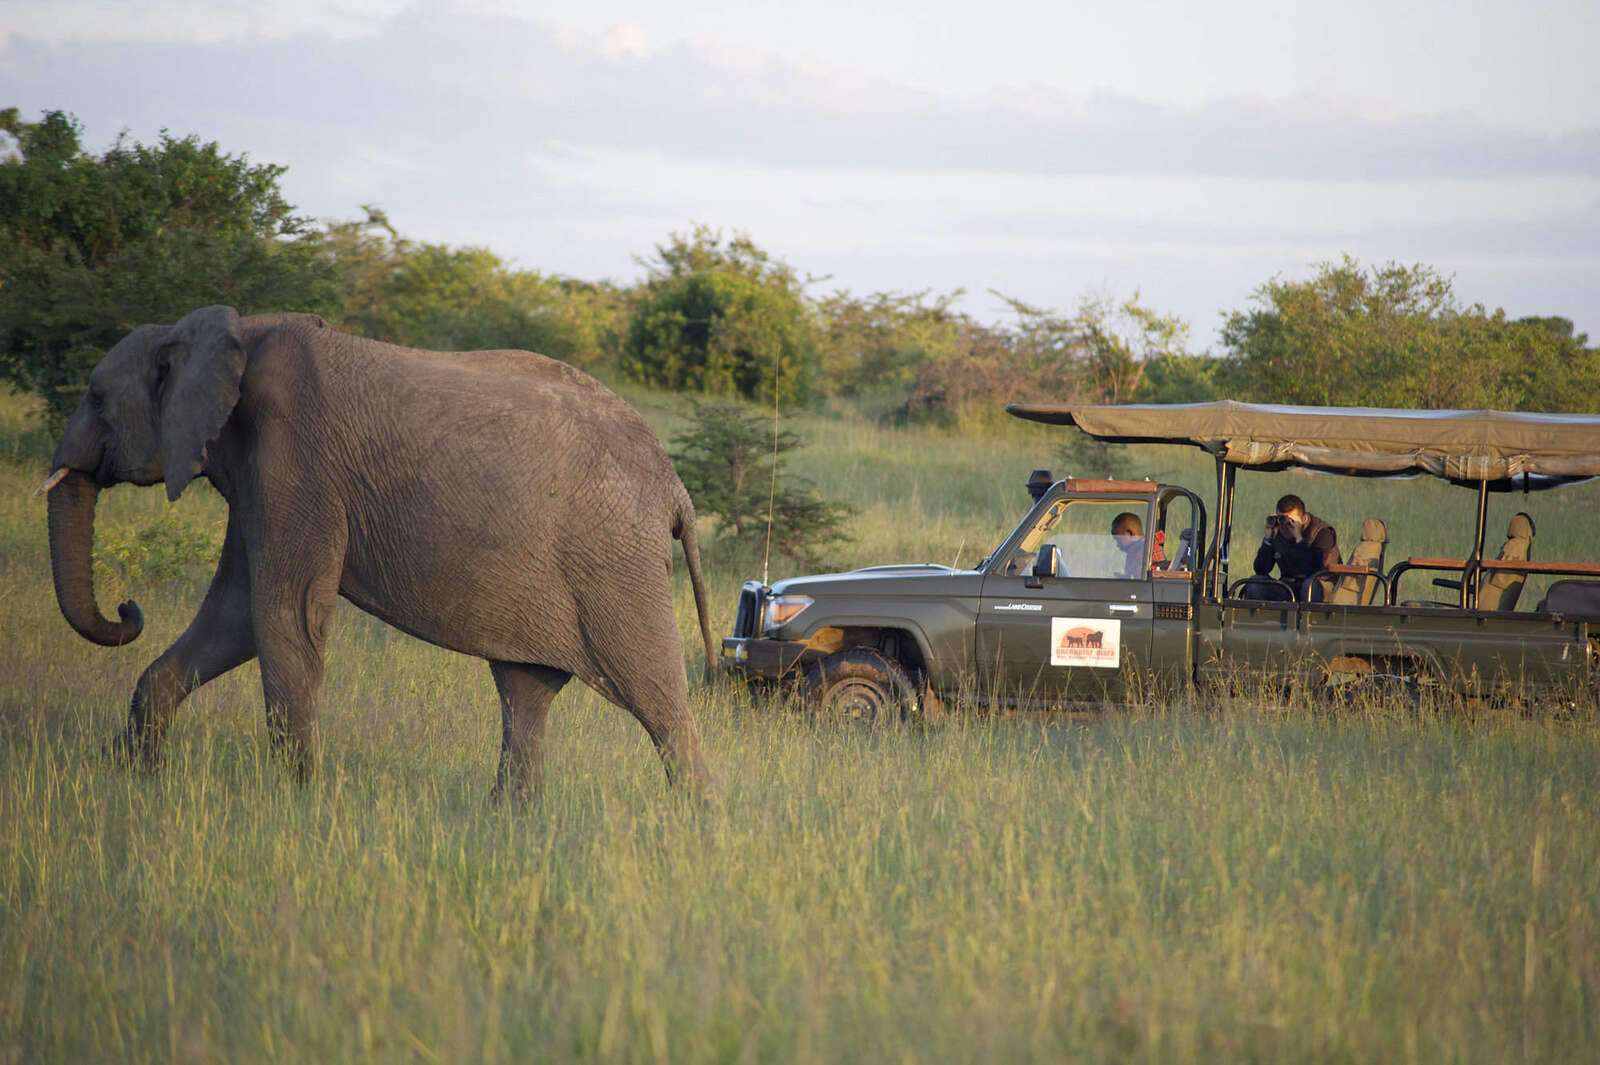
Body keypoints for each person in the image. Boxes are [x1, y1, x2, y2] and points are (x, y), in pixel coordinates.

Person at [1252, 493, 1339, 600]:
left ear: (1304, 519)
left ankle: (1308, 617)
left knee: (1309, 587)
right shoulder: (1278, 532)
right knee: (1255, 584)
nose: (1284, 526)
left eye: (1290, 522)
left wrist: (1298, 538)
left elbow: (1313, 568)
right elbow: (1261, 569)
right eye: (1281, 520)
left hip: (1320, 585)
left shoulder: (1322, 533)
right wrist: (1268, 540)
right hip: (1289, 586)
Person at [1111, 511, 1145, 579]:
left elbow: (1139, 583)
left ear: (1130, 533)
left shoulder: (1144, 553)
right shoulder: (1135, 550)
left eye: (1118, 539)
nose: (1117, 545)